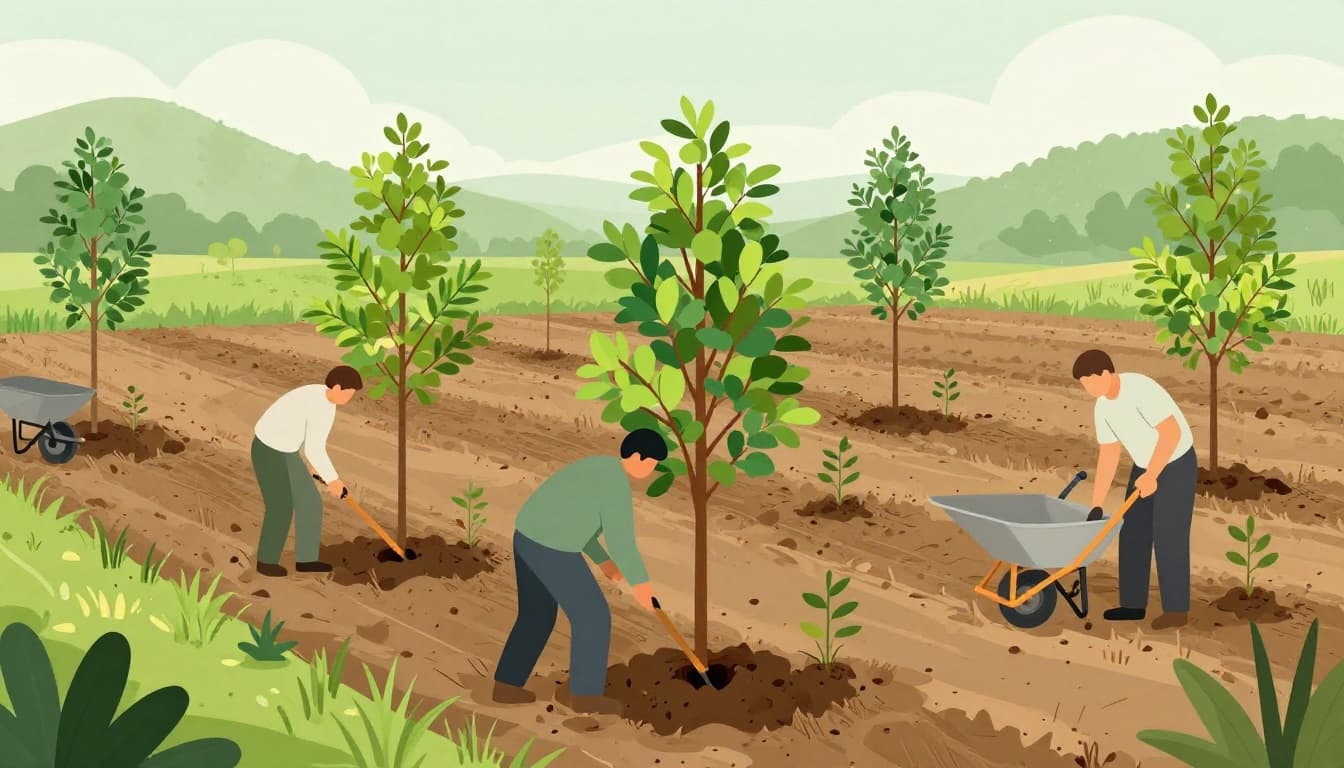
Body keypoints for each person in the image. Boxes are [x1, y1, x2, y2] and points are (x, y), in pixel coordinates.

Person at [492, 429, 667, 715]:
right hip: (551, 547)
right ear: (637, 457)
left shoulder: (597, 468)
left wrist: (603, 562)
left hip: (527, 536)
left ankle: (507, 685)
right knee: (593, 616)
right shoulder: (615, 485)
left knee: (536, 616)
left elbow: (575, 519)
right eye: (651, 464)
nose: (651, 472)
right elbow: (622, 542)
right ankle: (585, 697)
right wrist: (642, 585)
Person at [1073, 349, 1197, 630]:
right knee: (1132, 533)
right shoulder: (1103, 407)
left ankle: (1176, 610)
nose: (1088, 389)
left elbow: (1171, 433)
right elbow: (1109, 455)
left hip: (1175, 462)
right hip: (1144, 466)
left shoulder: (1141, 389)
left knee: (1169, 534)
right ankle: (1132, 604)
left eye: (1090, 382)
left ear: (1107, 373)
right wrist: (1097, 503)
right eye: (1083, 384)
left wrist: (1154, 475)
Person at [251, 365, 362, 577]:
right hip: (267, 449)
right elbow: (314, 448)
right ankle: (266, 561)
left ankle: (307, 559)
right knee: (280, 506)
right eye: (349, 394)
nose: (349, 398)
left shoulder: (326, 402)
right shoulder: (317, 403)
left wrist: (315, 468)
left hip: (288, 451)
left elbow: (308, 438)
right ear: (337, 387)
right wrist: (334, 481)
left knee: (310, 501)